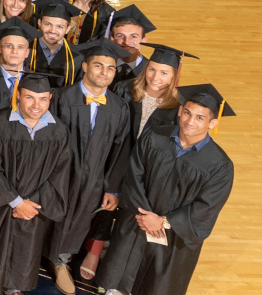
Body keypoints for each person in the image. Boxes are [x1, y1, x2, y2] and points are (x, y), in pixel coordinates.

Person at [96, 84, 235, 295]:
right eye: (187, 112)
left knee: (156, 286)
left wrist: (163, 221)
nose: (190, 121)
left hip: (172, 237)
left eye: (200, 117)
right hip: (137, 222)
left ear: (212, 122)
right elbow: (134, 175)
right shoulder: (154, 137)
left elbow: (207, 207)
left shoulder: (219, 165)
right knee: (119, 282)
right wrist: (145, 215)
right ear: (179, 110)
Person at [0, 72, 73, 295]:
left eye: (43, 98)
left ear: (50, 99)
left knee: (25, 250)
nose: (36, 104)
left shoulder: (59, 131)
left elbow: (60, 175)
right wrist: (15, 202)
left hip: (34, 208)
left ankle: (15, 288)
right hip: (0, 205)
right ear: (19, 95)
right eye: (30, 97)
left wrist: (32, 204)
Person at [45, 39, 134, 293]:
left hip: (93, 179)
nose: (104, 72)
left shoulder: (119, 107)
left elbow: (121, 150)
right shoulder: (61, 98)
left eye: (110, 68)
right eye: (98, 65)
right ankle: (37, 257)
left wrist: (113, 189)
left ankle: (61, 261)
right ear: (84, 66)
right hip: (59, 175)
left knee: (80, 219)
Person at [0, 18, 41, 110]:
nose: (14, 51)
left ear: (27, 53)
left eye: (20, 47)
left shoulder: (36, 80)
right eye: (9, 46)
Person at [29, 0, 84, 86]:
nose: (53, 30)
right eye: (48, 24)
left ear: (68, 29)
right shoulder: (25, 50)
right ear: (39, 23)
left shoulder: (77, 58)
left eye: (59, 26)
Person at [107, 4, 156, 88]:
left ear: (143, 40)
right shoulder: (102, 65)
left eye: (133, 36)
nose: (127, 42)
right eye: (121, 36)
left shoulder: (152, 72)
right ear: (112, 39)